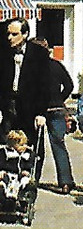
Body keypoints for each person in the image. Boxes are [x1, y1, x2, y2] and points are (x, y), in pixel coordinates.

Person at [0, 20, 50, 172]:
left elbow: (44, 85)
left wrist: (41, 113)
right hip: (8, 105)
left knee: (31, 143)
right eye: (8, 33)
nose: (10, 37)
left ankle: (29, 178)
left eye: (14, 34)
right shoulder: (3, 52)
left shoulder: (38, 53)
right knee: (5, 142)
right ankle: (7, 177)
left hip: (30, 107)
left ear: (25, 34)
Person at [33, 38, 76, 195]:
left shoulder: (33, 68)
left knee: (36, 146)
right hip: (56, 108)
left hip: (37, 109)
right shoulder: (56, 65)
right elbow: (70, 85)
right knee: (59, 145)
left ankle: (33, 178)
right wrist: (60, 98)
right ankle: (65, 182)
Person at [0, 129, 35, 210]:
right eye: (21, 145)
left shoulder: (27, 154)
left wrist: (27, 171)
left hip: (20, 176)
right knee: (3, 182)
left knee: (26, 182)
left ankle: (22, 198)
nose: (24, 147)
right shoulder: (5, 152)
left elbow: (30, 164)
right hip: (8, 174)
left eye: (25, 144)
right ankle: (3, 197)